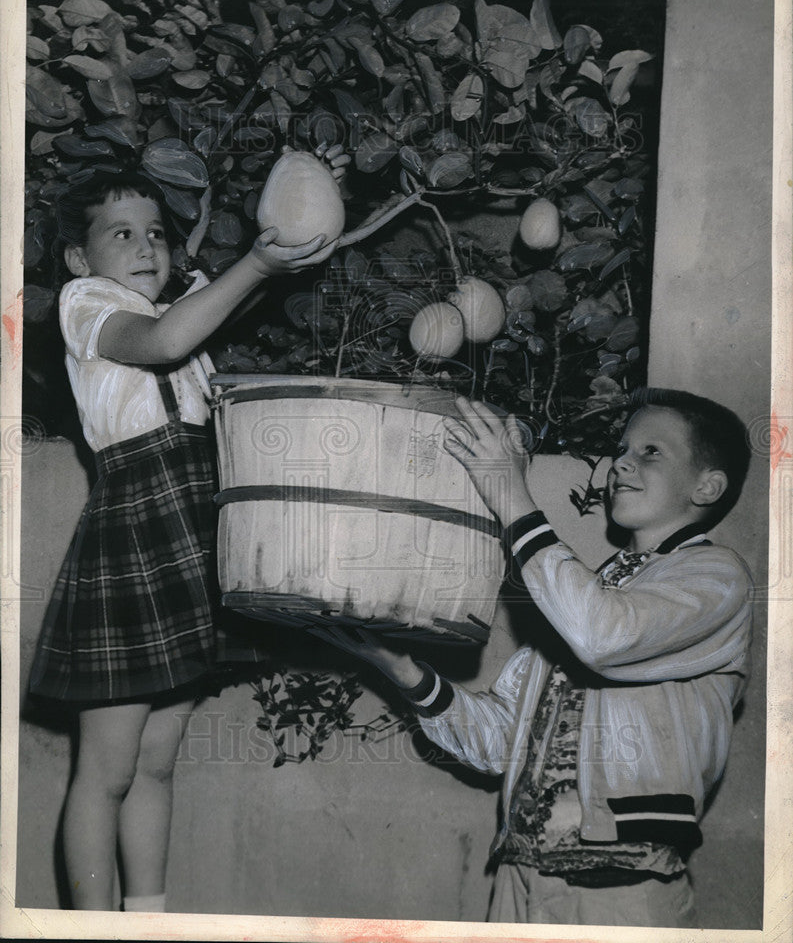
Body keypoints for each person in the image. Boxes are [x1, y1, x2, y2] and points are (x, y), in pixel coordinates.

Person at [27, 147, 348, 913]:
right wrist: (259, 265)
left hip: (192, 525)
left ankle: (147, 918)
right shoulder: (87, 305)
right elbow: (165, 342)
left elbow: (213, 311)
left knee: (158, 763)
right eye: (122, 234)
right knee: (104, 769)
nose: (146, 248)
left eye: (156, 234)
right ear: (80, 256)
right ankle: (92, 928)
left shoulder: (179, 311)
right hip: (136, 531)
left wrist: (308, 188)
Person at [315, 388, 754, 928]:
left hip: (622, 888)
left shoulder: (716, 577)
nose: (622, 462)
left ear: (707, 486)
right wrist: (398, 666)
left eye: (651, 452)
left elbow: (604, 637)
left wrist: (510, 495)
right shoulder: (588, 590)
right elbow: (499, 742)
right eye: (621, 449)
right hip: (523, 876)